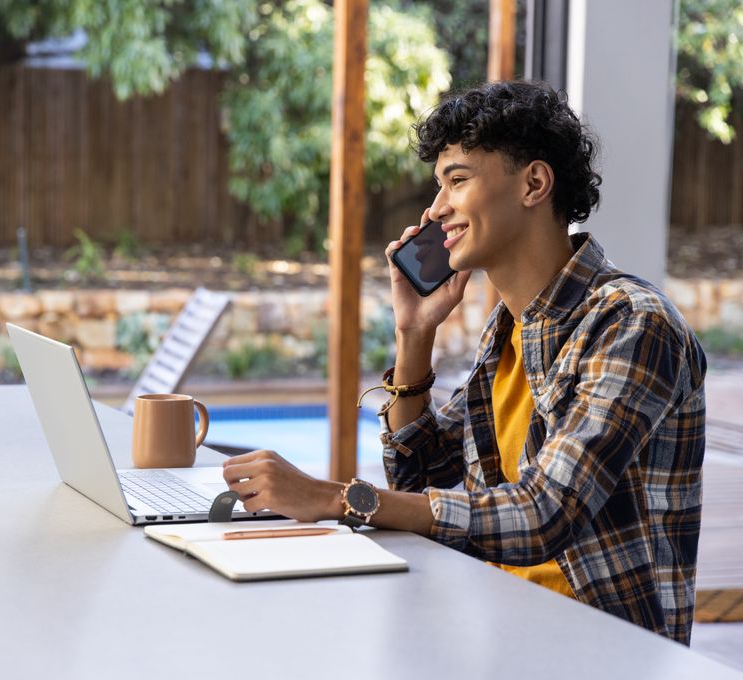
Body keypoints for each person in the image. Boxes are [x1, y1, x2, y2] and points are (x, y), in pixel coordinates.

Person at [221, 80, 707, 645]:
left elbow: (544, 513)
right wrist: (414, 334)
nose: (436, 209)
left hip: (603, 654)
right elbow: (418, 476)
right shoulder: (510, 330)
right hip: (498, 624)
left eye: (458, 180)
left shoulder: (631, 323)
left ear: (533, 183)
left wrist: (333, 498)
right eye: (439, 185)